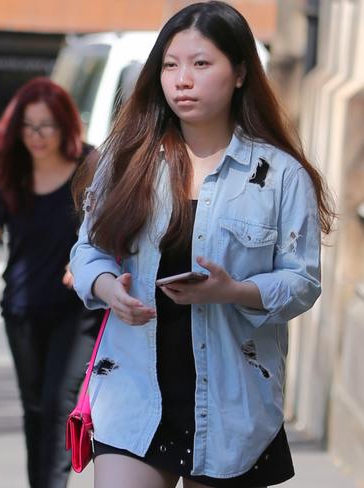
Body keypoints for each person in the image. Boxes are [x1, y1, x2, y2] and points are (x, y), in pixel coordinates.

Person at [69, 2, 334, 488]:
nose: (182, 79)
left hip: (234, 403)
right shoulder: (127, 160)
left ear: (239, 74)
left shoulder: (279, 176)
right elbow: (88, 251)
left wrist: (233, 291)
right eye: (170, 65)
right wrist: (110, 290)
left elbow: (302, 281)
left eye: (200, 64)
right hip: (134, 392)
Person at [0, 77, 103, 488]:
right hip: (23, 308)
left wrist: (88, 263)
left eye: (46, 126)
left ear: (65, 124)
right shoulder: (10, 172)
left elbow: (113, 222)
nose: (37, 136)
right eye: (28, 127)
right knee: (35, 407)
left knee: (60, 403)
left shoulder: (91, 164)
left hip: (76, 308)